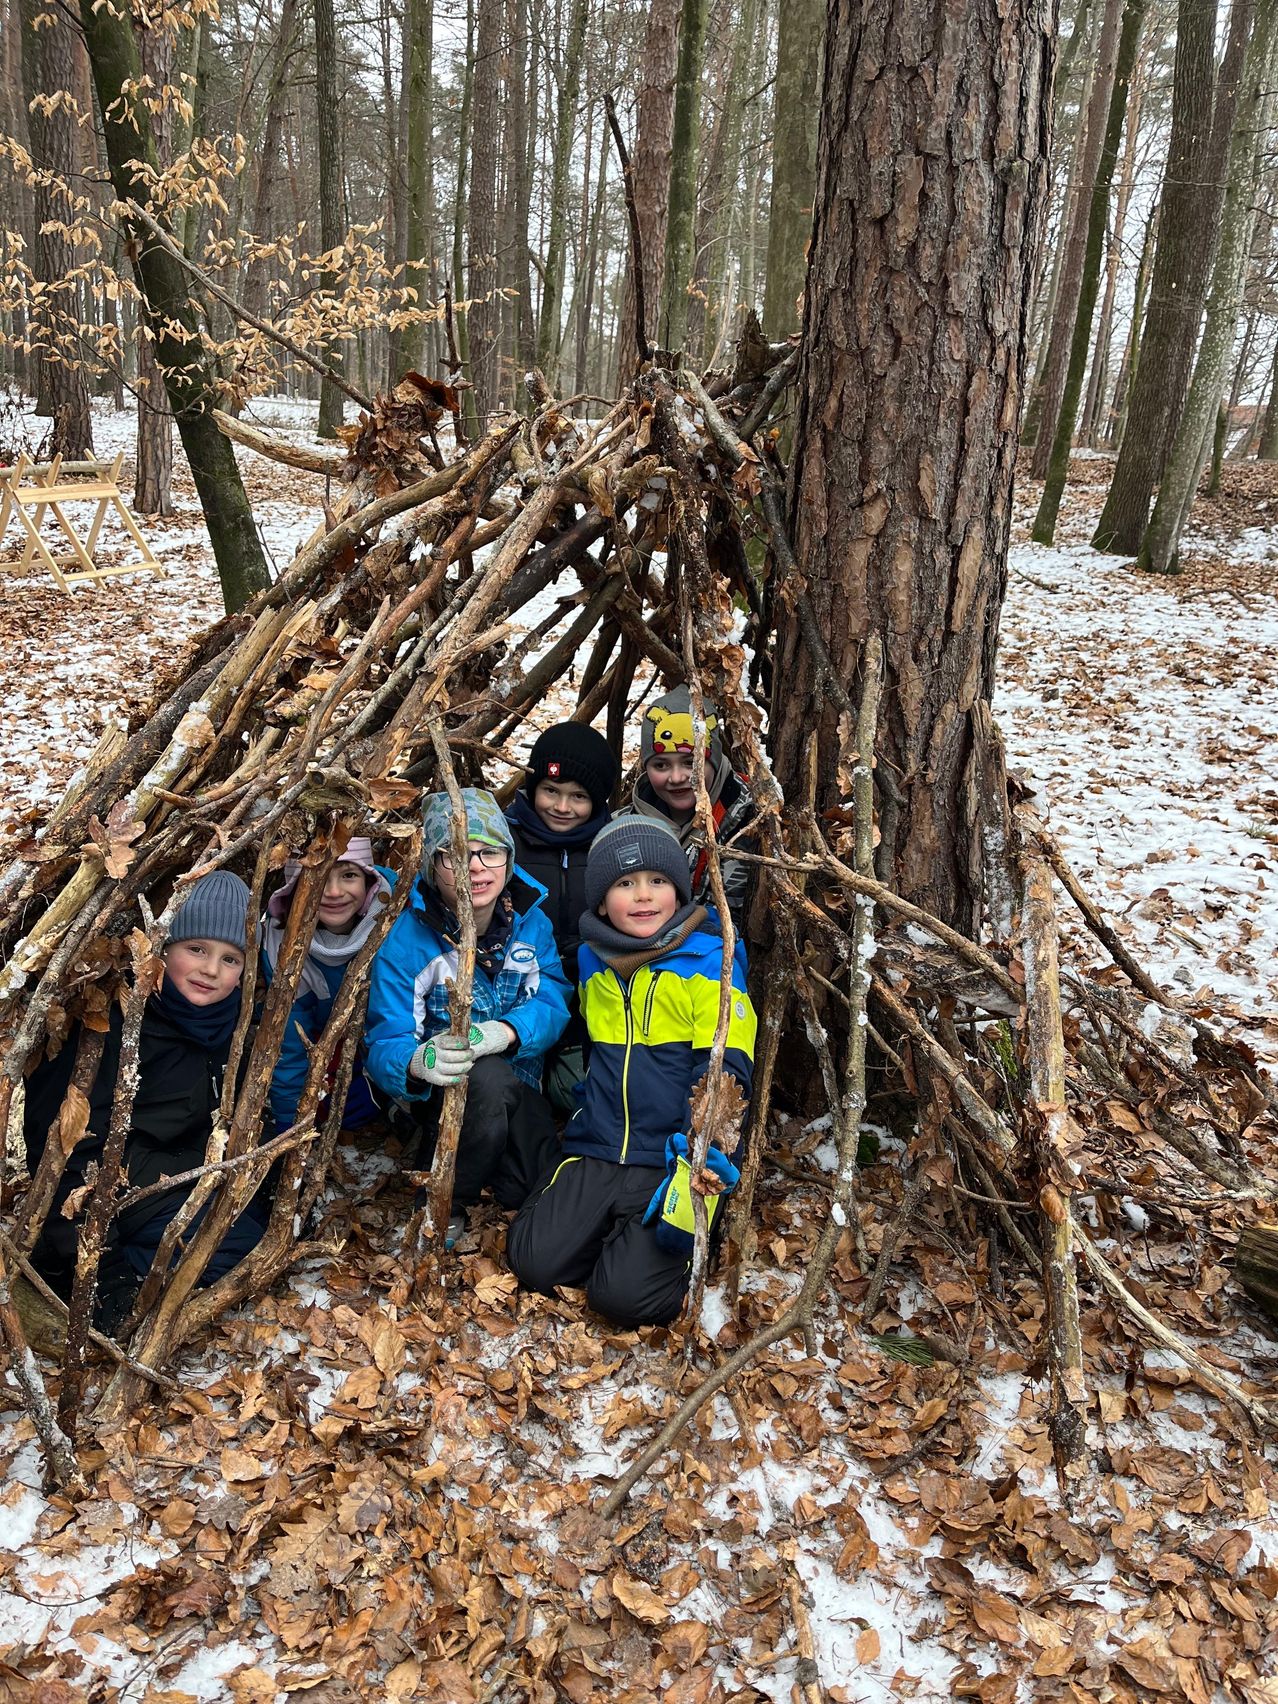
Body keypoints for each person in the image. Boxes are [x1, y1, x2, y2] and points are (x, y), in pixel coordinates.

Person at [507, 815, 757, 1328]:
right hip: (597, 1146)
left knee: (625, 1300)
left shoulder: (712, 960)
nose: (643, 897)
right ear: (601, 901)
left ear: (679, 890)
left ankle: (636, 1254)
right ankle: (607, 1234)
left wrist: (706, 1145)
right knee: (532, 1262)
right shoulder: (594, 962)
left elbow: (729, 1063)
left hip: (669, 1158)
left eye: (657, 881)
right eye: (625, 884)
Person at [22, 869, 267, 1337]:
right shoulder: (110, 1026)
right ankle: (110, 1270)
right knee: (238, 1245)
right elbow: (58, 1150)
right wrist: (99, 1269)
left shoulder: (235, 1026)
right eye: (196, 949)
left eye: (230, 958)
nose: (210, 970)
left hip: (174, 1169)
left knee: (253, 1222)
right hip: (108, 1187)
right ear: (163, 948)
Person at [364, 787, 570, 1245]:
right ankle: (446, 1200)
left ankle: (514, 1180)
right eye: (455, 854)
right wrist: (418, 1063)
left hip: (521, 1085)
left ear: (508, 859)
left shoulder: (531, 923)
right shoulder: (407, 941)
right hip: (447, 1098)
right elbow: (384, 1039)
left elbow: (555, 996)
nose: (476, 867)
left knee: (522, 1183)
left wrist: (508, 1031)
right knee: (488, 1079)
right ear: (432, 868)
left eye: (490, 853)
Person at [506, 722, 618, 1114]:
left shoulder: (612, 845)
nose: (561, 807)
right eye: (550, 791)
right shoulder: (506, 842)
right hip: (519, 995)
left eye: (578, 796)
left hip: (589, 1003)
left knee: (575, 1094)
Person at [262, 836, 392, 1137]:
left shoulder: (394, 918)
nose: (333, 892)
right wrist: (287, 1122)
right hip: (328, 1040)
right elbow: (291, 1037)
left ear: (369, 881)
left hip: (385, 1045)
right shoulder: (284, 943)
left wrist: (378, 1079)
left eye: (349, 875)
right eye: (318, 876)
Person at [619, 684, 754, 928]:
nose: (677, 777)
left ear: (713, 758)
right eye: (661, 765)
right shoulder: (622, 829)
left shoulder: (752, 820)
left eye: (691, 762)